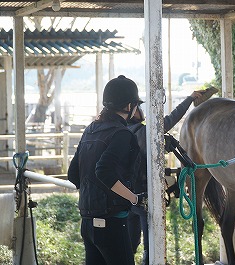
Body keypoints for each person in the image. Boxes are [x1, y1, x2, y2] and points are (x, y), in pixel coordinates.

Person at [68, 75, 147, 265]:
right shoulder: (122, 133)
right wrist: (135, 198)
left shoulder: (90, 129)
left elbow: (73, 174)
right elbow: (103, 171)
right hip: (112, 222)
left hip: (87, 222)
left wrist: (94, 194)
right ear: (129, 106)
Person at [127, 89, 208, 265]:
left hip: (124, 198)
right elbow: (171, 119)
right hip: (142, 197)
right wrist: (189, 99)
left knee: (130, 246)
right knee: (151, 246)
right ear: (132, 109)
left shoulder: (119, 131)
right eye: (138, 107)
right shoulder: (143, 133)